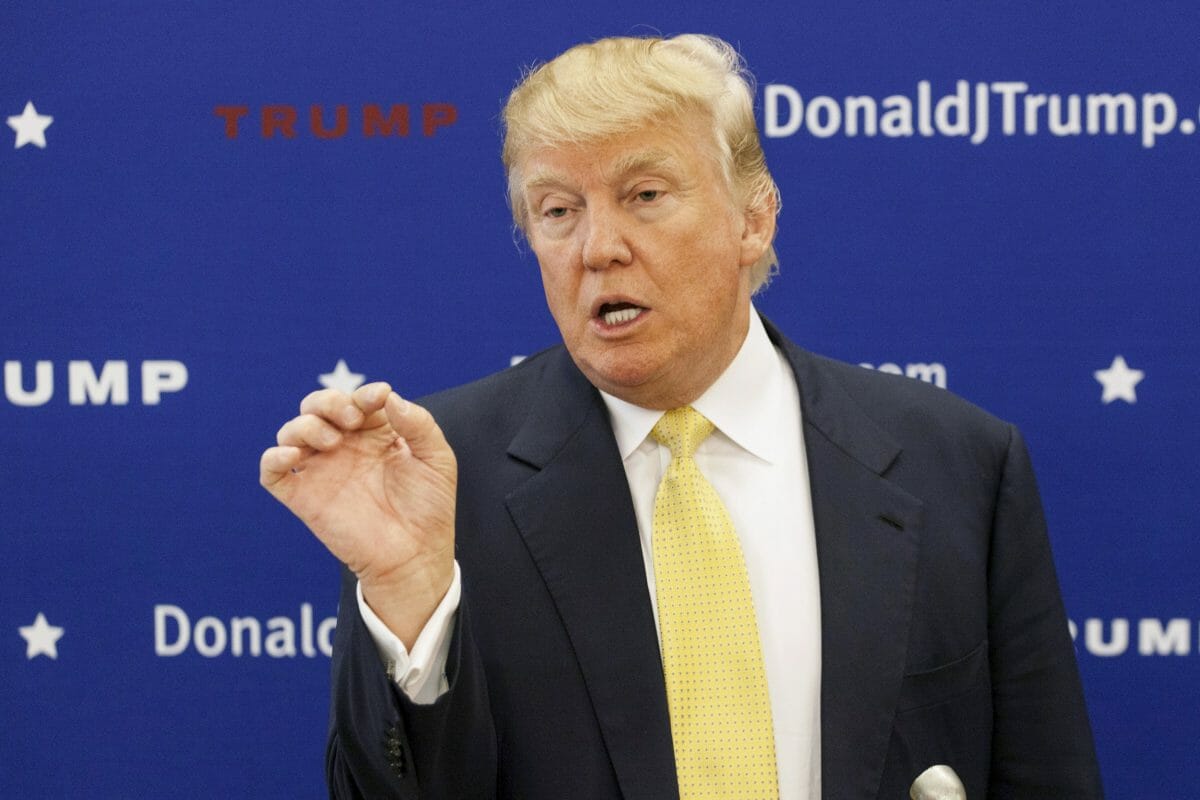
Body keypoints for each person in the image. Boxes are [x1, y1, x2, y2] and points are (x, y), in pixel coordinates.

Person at [260, 34, 1103, 799]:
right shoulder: (438, 476)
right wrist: (410, 595)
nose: (599, 247)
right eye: (558, 211)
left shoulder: (957, 461)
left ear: (753, 218)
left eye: (646, 193)